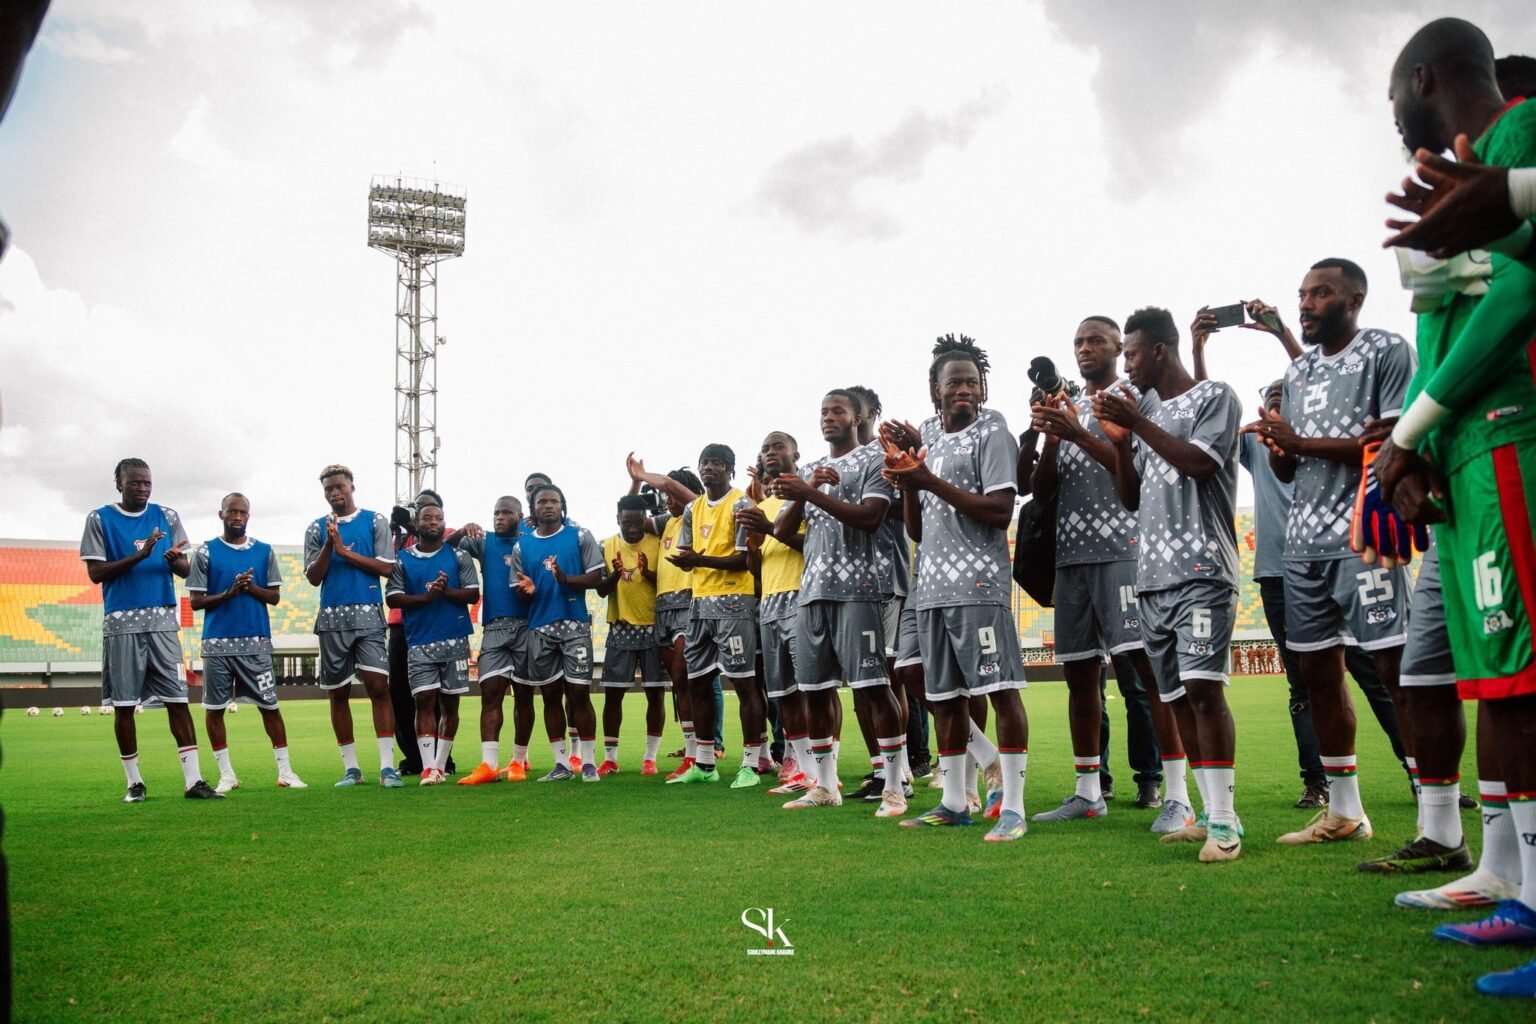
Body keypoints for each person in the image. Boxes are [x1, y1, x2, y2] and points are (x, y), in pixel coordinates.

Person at [1377, 19, 1536, 998]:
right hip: (1465, 456)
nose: (1393, 116)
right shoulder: (1451, 184)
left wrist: (1409, 432)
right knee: (1495, 680)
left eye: (1393, 94)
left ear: (1423, 77)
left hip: (1512, 431)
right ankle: (1512, 879)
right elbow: (1439, 328)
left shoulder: (1521, 131)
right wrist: (1417, 445)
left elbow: (1512, 297)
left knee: (1521, 676)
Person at [1195, 305, 1408, 810]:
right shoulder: (1258, 448)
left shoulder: (1319, 428)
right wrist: (1201, 350)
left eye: (1281, 398)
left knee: (1378, 673)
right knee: (1305, 683)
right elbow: (1207, 419)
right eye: (1268, 399)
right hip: (1279, 572)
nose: (1274, 406)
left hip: (1348, 552)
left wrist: (1282, 334)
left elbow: (1317, 375)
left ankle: (1421, 773)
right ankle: (1320, 785)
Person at [1245, 260, 1415, 847]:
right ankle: (1344, 811)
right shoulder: (1297, 374)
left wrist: (1302, 442)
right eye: (1302, 294)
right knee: (1319, 675)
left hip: (1365, 534)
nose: (1307, 303)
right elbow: (1291, 466)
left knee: (1394, 671)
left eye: (1320, 293)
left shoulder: (1386, 351)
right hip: (1302, 545)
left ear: (1355, 297)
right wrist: (1277, 445)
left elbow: (1393, 443)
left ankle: (1435, 808)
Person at [1029, 315, 1191, 830]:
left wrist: (1077, 430)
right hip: (1069, 558)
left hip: (1124, 550)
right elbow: (1042, 491)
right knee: (1079, 676)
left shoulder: (1135, 397)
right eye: (1077, 341)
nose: (1084, 348)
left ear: (1120, 347)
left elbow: (1139, 475)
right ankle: (1088, 790)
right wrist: (1055, 435)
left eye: (1095, 339)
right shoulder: (1067, 401)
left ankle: (1177, 794)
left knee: (1145, 672)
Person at [1095, 308, 1244, 862]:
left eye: (1130, 353)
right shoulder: (1147, 410)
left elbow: (1200, 464)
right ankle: (1208, 814)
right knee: (1178, 698)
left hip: (1203, 569)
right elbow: (1131, 497)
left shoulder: (1215, 397)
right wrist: (1118, 442)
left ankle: (1226, 826)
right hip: (1151, 579)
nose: (1125, 365)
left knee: (1205, 690)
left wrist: (1136, 427)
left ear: (1159, 350)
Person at [885, 334, 1030, 842]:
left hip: (979, 583)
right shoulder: (927, 435)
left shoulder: (993, 432)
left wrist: (926, 480)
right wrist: (908, 481)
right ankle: (953, 800)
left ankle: (1012, 805)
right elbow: (918, 529)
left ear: (983, 387)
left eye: (972, 382)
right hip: (931, 587)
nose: (964, 390)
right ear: (935, 390)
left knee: (1000, 691)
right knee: (943, 696)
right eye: (954, 383)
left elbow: (999, 510)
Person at [772, 392, 907, 816]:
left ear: (857, 418)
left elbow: (870, 518)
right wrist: (807, 488)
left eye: (837, 411)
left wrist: (813, 496)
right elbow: (781, 528)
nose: (829, 418)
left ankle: (894, 784)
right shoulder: (810, 469)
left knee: (871, 688)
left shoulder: (872, 462)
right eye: (823, 412)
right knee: (814, 690)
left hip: (860, 589)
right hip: (811, 591)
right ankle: (824, 785)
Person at [80, 458, 220, 801]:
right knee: (125, 705)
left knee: (178, 700)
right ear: (119, 484)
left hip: (162, 624)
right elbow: (96, 574)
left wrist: (177, 561)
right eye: (135, 483)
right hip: (122, 624)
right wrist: (139, 556)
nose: (143, 488)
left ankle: (194, 781)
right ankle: (134, 783)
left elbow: (187, 572)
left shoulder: (167, 516)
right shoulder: (99, 519)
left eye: (147, 482)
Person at [185, 493, 305, 793]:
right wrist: (228, 593)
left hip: (256, 643)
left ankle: (286, 771)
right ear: (221, 514)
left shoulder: (264, 552)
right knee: (214, 709)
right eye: (232, 511)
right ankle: (226, 774)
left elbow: (275, 597)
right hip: (217, 644)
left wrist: (251, 587)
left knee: (270, 707)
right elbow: (196, 602)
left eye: (243, 512)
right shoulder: (205, 553)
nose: (237, 517)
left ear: (248, 516)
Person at [663, 445, 763, 787]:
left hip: (734, 601)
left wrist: (699, 561)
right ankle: (704, 764)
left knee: (745, 683)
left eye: (716, 463)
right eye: (704, 463)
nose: (708, 468)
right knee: (698, 681)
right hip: (700, 604)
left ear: (730, 469)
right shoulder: (692, 508)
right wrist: (690, 560)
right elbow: (690, 552)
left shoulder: (741, 504)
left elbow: (742, 559)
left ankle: (751, 764)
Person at [303, 465, 401, 788]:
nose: (334, 493)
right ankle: (352, 769)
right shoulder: (316, 529)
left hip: (369, 617)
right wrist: (331, 547)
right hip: (332, 619)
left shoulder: (375, 521)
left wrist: (345, 550)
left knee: (378, 689)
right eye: (328, 489)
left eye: (339, 487)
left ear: (352, 487)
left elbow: (387, 567)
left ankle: (387, 767)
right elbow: (314, 577)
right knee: (338, 695)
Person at [512, 484, 606, 782]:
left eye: (554, 501)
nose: (548, 505)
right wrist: (525, 591)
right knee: (550, 696)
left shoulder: (579, 536)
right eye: (542, 501)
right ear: (534, 508)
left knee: (579, 693)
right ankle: (561, 764)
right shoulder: (521, 546)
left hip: (574, 625)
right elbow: (518, 586)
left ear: (562, 506)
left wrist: (567, 579)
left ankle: (589, 762)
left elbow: (597, 576)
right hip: (539, 628)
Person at [737, 432, 812, 794]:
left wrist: (772, 532)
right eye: (765, 448)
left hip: (802, 596)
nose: (770, 453)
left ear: (796, 453)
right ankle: (800, 766)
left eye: (777, 446)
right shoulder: (759, 507)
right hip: (769, 603)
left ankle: (824, 769)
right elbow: (756, 567)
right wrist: (753, 548)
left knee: (815, 687)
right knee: (783, 692)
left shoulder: (807, 496)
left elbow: (813, 546)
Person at [385, 504, 479, 786]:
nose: (433, 522)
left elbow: (473, 594)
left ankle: (439, 766)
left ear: (444, 523)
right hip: (420, 640)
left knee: (450, 704)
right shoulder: (402, 559)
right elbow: (393, 598)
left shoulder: (460, 556)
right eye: (427, 517)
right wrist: (425, 599)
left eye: (438, 518)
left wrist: (444, 592)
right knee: (423, 702)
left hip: (454, 638)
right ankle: (427, 768)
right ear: (418, 524)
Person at [626, 458, 708, 779]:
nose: (668, 500)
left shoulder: (696, 511)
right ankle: (692, 751)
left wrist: (646, 475)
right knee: (678, 682)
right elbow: (630, 517)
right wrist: (635, 485)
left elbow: (677, 491)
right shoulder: (666, 523)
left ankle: (696, 753)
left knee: (685, 674)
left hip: (689, 604)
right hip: (662, 607)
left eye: (672, 494)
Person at [455, 496, 537, 784]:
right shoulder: (484, 541)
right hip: (494, 628)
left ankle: (517, 760)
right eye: (496, 513)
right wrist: (461, 530)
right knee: (490, 694)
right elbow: (447, 548)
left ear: (520, 516)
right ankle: (489, 764)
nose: (499, 517)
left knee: (524, 697)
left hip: (527, 627)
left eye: (506, 513)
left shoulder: (530, 542)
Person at [594, 495, 667, 776]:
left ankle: (650, 757)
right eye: (627, 522)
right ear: (618, 519)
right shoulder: (608, 545)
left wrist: (647, 572)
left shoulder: (657, 541)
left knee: (655, 694)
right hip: (621, 626)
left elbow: (668, 582)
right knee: (613, 694)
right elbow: (601, 589)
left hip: (654, 626)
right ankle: (611, 758)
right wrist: (615, 574)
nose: (634, 528)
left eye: (638, 522)